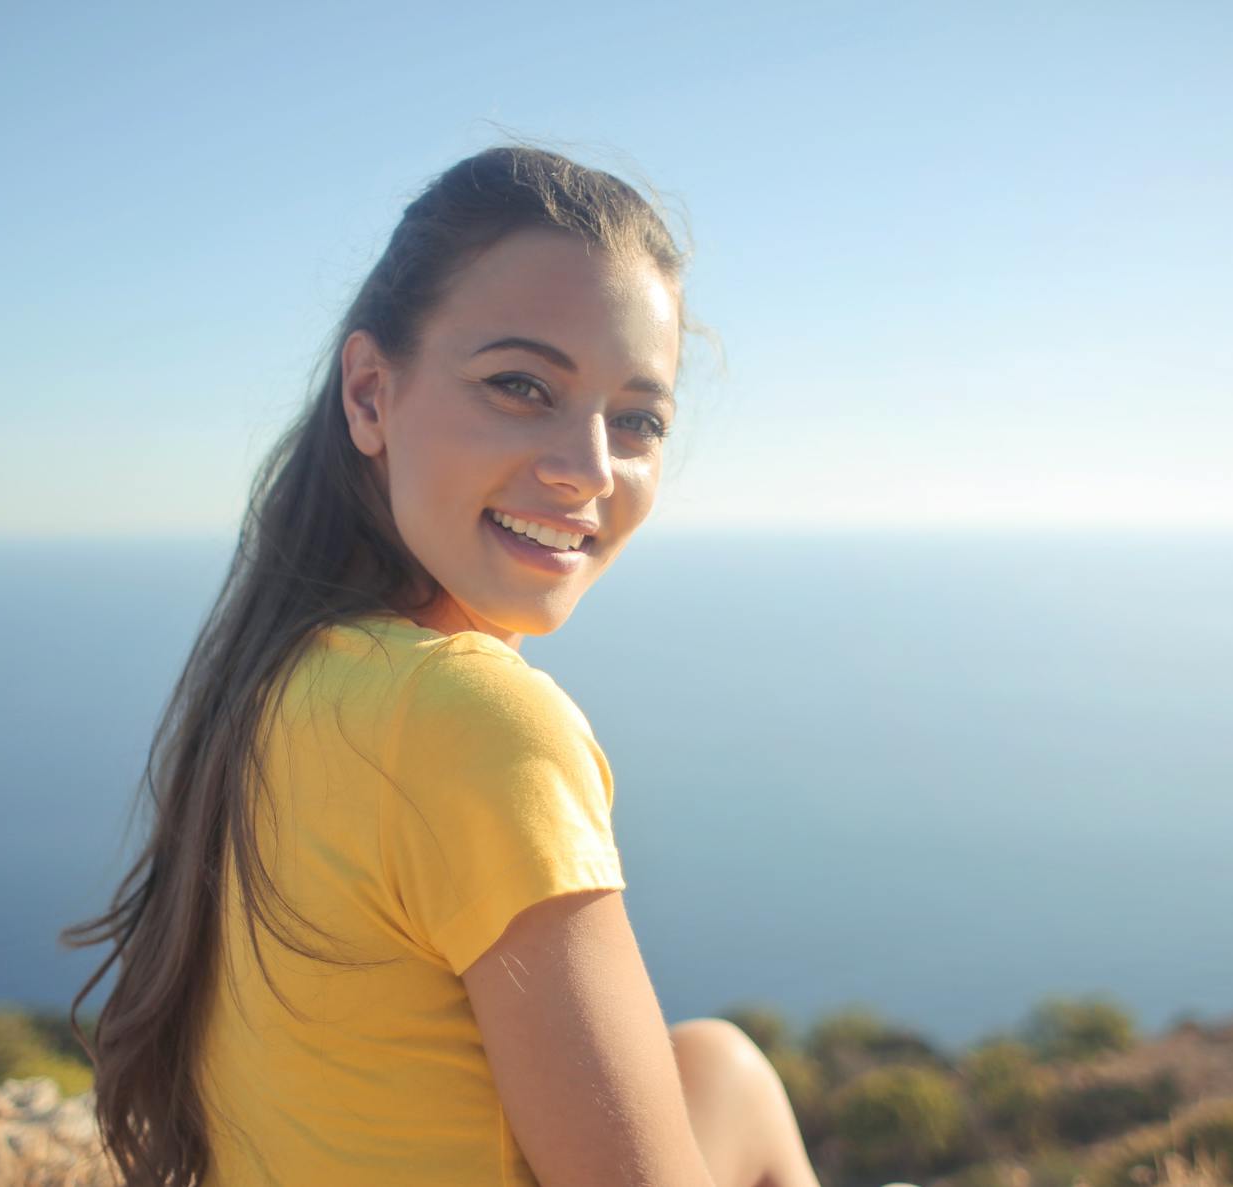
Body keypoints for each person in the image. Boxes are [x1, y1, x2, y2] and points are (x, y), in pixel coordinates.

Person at [62, 143, 825, 1187]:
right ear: (370, 393)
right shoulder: (472, 717)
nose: (587, 469)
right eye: (520, 385)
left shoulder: (287, 675)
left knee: (721, 1066)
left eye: (636, 419)